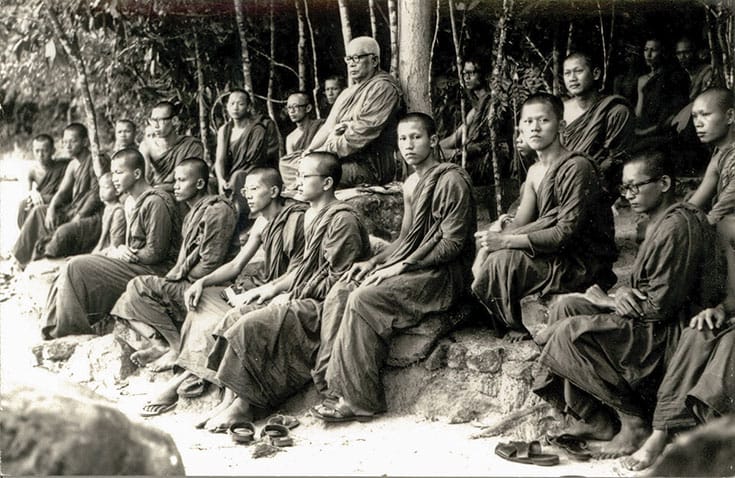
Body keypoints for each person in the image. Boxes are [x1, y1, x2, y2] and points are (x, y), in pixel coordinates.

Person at [533, 149, 718, 459]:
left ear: (664, 183)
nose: (628, 196)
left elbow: (660, 308)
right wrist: (619, 297)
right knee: (567, 308)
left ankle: (633, 424)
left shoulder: (679, 226)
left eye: (636, 186)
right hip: (647, 319)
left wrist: (610, 301)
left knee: (569, 332)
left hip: (666, 335)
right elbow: (645, 291)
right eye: (624, 188)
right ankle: (594, 419)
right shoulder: (654, 223)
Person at [311, 113, 476, 421]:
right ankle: (331, 386)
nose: (408, 145)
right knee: (346, 288)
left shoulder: (451, 179)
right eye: (402, 139)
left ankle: (362, 400)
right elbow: (406, 238)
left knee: (364, 299)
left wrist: (400, 267)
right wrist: (373, 262)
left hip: (443, 275)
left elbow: (452, 245)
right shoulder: (412, 182)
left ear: (434, 140)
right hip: (416, 266)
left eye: (416, 137)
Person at [197, 152, 371, 431]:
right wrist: (274, 290)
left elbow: (339, 281)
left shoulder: (342, 220)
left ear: (326, 183)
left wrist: (292, 294)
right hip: (301, 294)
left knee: (250, 325)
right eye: (297, 175)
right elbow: (299, 269)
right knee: (235, 316)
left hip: (320, 306)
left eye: (304, 176)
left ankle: (243, 406)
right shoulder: (310, 215)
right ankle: (229, 400)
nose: (298, 182)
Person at [621, 88, 735, 471]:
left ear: (731, 117)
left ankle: (665, 433)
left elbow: (711, 215)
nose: (698, 122)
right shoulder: (722, 157)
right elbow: (700, 208)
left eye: (706, 115)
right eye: (696, 115)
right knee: (698, 328)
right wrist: (673, 224)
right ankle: (661, 431)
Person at [136, 168, 306, 416]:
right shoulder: (261, 222)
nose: (247, 195)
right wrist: (202, 282)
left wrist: (268, 291)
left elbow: (300, 270)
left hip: (278, 292)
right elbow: (237, 265)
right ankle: (190, 371)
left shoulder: (296, 219)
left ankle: (185, 377)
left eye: (254, 189)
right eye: (245, 189)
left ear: (274, 191)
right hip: (258, 286)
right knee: (203, 300)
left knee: (221, 320)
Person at [471, 93, 617, 342]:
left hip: (579, 261)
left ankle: (515, 324)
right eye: (528, 122)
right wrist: (496, 234)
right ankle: (505, 316)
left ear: (560, 126)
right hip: (551, 252)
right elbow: (522, 223)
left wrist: (504, 242)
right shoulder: (535, 171)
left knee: (503, 261)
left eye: (543, 121)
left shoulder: (576, 167)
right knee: (484, 245)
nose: (534, 128)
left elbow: (564, 233)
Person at [110, 158, 237, 372]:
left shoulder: (217, 211)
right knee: (125, 301)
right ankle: (160, 344)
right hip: (189, 282)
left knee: (139, 286)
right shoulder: (193, 212)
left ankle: (176, 348)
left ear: (199, 184)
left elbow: (209, 266)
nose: (175, 186)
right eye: (175, 180)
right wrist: (174, 277)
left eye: (181, 180)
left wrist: (177, 277)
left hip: (210, 287)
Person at [41, 148, 180, 340]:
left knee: (75, 267)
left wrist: (124, 254)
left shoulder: (155, 202)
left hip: (154, 270)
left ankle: (69, 330)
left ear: (137, 173)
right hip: (135, 263)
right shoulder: (131, 201)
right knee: (71, 262)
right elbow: (129, 243)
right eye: (113, 172)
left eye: (119, 172)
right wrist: (120, 250)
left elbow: (157, 252)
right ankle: (53, 326)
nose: (114, 178)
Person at [304, 36, 402, 188]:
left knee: (313, 177)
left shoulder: (383, 88)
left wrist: (324, 152)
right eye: (348, 59)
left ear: (374, 61)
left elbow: (362, 132)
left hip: (369, 164)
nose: (351, 64)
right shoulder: (347, 92)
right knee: (289, 163)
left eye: (356, 58)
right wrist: (310, 151)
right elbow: (328, 126)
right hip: (337, 156)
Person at [12, 123, 108, 269]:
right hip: (74, 209)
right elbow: (62, 192)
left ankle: (43, 257)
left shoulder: (96, 161)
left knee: (64, 232)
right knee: (39, 211)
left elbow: (95, 195)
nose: (67, 146)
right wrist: (50, 209)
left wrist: (79, 216)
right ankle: (20, 260)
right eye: (64, 142)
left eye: (72, 141)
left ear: (85, 142)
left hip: (92, 214)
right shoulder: (72, 165)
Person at [561, 52, 635, 205]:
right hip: (559, 181)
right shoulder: (559, 110)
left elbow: (617, 159)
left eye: (578, 71)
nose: (572, 78)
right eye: (567, 73)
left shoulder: (615, 111)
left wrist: (580, 177)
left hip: (595, 186)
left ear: (596, 73)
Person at [214, 89, 280, 231]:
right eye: (232, 104)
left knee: (238, 177)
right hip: (229, 176)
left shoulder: (258, 128)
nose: (235, 108)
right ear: (226, 107)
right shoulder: (224, 130)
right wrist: (220, 179)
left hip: (252, 173)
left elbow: (256, 162)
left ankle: (239, 226)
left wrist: (233, 178)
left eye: (240, 104)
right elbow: (219, 159)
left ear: (248, 107)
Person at [439, 58, 492, 177]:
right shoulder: (475, 108)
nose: (466, 78)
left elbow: (487, 142)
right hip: (467, 151)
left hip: (481, 156)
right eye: (464, 73)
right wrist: (434, 148)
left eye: (471, 73)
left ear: (482, 75)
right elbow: (456, 137)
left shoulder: (491, 103)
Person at [139, 101, 203, 191]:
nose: (156, 126)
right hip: (157, 192)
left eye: (161, 120)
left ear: (174, 121)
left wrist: (159, 189)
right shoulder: (147, 146)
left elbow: (191, 180)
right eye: (153, 120)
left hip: (183, 192)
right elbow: (143, 178)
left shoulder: (191, 146)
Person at [634, 37, 690, 139]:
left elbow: (675, 113)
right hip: (643, 129)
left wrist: (646, 132)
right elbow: (639, 113)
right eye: (646, 50)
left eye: (653, 50)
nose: (648, 54)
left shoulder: (673, 77)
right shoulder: (642, 79)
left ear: (663, 53)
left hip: (663, 131)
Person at [16, 134, 69, 229]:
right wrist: (33, 193)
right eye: (37, 151)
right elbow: (27, 191)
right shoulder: (32, 171)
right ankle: (25, 232)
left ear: (53, 151)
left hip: (58, 200)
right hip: (40, 200)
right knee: (23, 205)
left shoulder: (62, 166)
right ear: (33, 151)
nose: (40, 155)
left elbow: (64, 190)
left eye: (45, 151)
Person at [280, 91, 325, 195]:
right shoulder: (290, 137)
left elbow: (324, 150)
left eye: (295, 106)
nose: (291, 111)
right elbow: (290, 164)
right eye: (289, 107)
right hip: (302, 169)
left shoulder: (320, 127)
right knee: (283, 163)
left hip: (317, 164)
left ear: (308, 108)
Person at [91, 173, 126, 254]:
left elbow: (116, 245)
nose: (101, 191)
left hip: (113, 253)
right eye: (100, 187)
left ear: (117, 191)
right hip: (104, 250)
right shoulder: (107, 209)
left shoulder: (119, 212)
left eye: (106, 188)